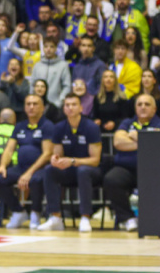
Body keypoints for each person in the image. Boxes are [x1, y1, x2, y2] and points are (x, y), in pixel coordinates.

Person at [103, 93, 160, 232]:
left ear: (154, 108)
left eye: (147, 104)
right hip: (127, 168)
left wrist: (136, 136)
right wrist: (145, 140)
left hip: (152, 170)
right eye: (139, 104)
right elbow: (118, 142)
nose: (143, 107)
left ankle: (153, 219)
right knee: (111, 179)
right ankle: (128, 218)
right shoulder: (127, 122)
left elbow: (159, 143)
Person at [0, 94, 54, 229]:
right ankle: (18, 211)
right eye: (28, 104)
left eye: (35, 104)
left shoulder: (47, 126)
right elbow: (9, 149)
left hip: (40, 169)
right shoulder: (20, 126)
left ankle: (36, 214)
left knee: (36, 180)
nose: (31, 107)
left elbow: (47, 154)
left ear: (42, 108)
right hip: (21, 167)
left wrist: (29, 173)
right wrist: (2, 166)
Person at [39, 94, 102, 233]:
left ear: (81, 108)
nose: (70, 108)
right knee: (50, 170)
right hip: (70, 169)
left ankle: (85, 217)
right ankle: (55, 217)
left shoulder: (91, 127)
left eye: (74, 104)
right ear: (64, 108)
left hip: (91, 170)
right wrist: (56, 159)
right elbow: (57, 153)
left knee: (83, 171)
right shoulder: (59, 127)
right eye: (67, 105)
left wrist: (73, 161)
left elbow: (95, 160)